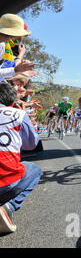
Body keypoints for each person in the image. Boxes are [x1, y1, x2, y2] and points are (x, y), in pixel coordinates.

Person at [0, 82, 41, 234]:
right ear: (12, 103)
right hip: (4, 182)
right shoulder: (19, 114)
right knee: (35, 170)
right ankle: (8, 207)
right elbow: (31, 145)